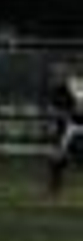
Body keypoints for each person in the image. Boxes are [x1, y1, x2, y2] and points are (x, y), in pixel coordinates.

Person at [45, 65, 83, 194]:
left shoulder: (74, 86)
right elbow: (55, 109)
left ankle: (55, 186)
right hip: (72, 125)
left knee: (61, 155)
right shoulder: (62, 89)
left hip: (75, 125)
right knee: (58, 155)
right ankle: (55, 187)